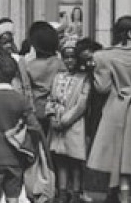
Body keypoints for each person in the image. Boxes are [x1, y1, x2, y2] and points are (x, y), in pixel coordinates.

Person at [86, 16, 131, 203]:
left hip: (116, 108)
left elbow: (102, 87)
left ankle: (123, 198)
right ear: (130, 34)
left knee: (121, 159)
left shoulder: (104, 56)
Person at [0, 54, 42, 203]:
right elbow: (35, 127)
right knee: (13, 198)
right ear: (15, 74)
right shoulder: (21, 100)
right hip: (14, 157)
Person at [47, 40, 91, 203]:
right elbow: (51, 98)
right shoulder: (58, 77)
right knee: (61, 159)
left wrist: (65, 120)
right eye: (66, 57)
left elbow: (82, 103)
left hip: (74, 124)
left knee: (75, 160)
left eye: (72, 57)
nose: (69, 61)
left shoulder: (84, 78)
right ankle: (63, 192)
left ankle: (75, 192)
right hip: (57, 124)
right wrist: (51, 115)